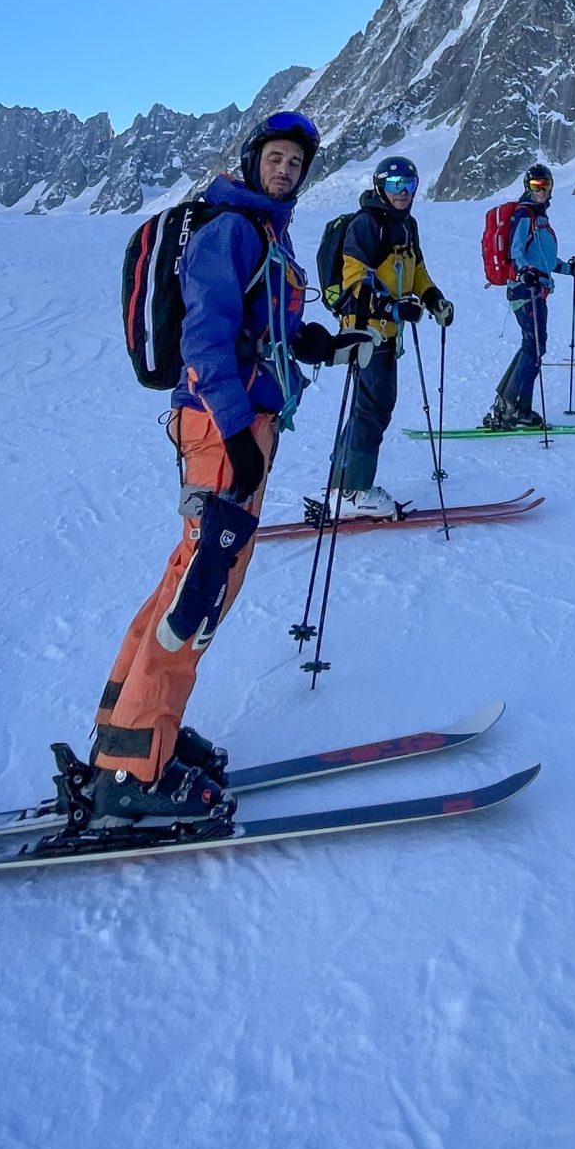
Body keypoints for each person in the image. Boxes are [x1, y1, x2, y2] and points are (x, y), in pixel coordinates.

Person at [87, 110, 373, 830]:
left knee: (188, 577)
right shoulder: (231, 230)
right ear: (252, 161)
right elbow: (205, 340)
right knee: (202, 587)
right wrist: (240, 435)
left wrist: (321, 344)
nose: (284, 170)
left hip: (242, 425)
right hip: (225, 427)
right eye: (275, 158)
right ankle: (132, 771)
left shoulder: (267, 234)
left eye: (294, 164)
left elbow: (261, 331)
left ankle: (131, 732)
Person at [329, 154, 454, 516]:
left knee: (369, 407)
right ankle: (352, 492)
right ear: (380, 186)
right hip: (366, 332)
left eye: (409, 186)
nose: (402, 193)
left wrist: (434, 300)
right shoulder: (367, 225)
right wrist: (391, 308)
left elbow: (417, 273)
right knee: (372, 408)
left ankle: (344, 484)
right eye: (395, 186)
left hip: (387, 333)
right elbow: (356, 278)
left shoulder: (406, 225)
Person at [482, 163, 575, 429]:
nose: (541, 191)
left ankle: (512, 404)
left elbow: (543, 258)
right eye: (536, 186)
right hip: (525, 290)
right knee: (534, 346)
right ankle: (513, 406)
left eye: (545, 186)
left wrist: (565, 268)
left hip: (537, 289)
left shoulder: (540, 218)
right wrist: (524, 272)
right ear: (528, 187)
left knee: (534, 346)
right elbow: (516, 252)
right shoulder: (525, 215)